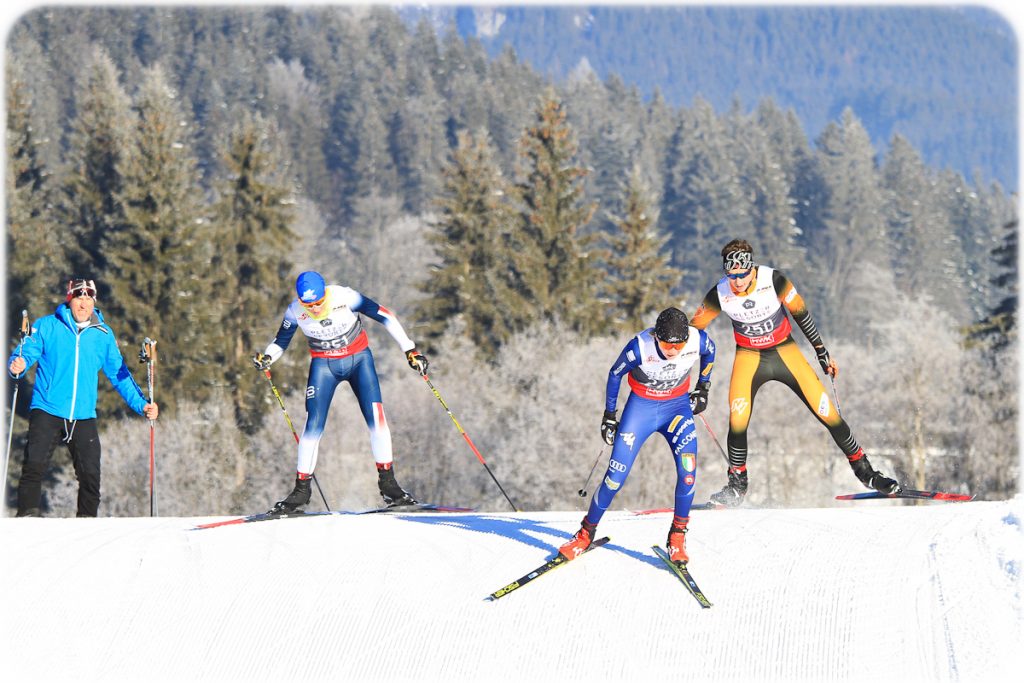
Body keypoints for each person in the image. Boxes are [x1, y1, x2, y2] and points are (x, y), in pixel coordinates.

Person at [689, 239, 900, 507]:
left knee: (828, 413)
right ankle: (737, 487)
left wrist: (821, 351)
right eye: (731, 276)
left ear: (752, 269)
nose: (737, 282)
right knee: (737, 419)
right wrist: (697, 384)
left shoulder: (773, 280)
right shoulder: (719, 293)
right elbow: (693, 335)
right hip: (749, 356)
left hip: (785, 352)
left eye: (742, 274)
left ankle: (866, 473)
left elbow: (801, 314)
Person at [253, 271, 429, 513]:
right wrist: (268, 357)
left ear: (325, 294)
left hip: (359, 361)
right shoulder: (295, 311)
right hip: (324, 366)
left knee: (377, 420)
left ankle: (390, 486)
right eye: (308, 305)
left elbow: (384, 315)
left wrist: (410, 350)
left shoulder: (344, 297)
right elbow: (281, 341)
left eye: (318, 303)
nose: (314, 309)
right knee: (313, 425)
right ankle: (301, 492)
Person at [559, 307, 716, 565]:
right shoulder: (640, 347)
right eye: (666, 344)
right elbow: (615, 374)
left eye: (679, 345)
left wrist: (703, 387)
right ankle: (585, 533)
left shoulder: (697, 340)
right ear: (656, 337)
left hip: (677, 409)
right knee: (614, 479)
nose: (673, 351)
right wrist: (610, 416)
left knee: (688, 474)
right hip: (641, 409)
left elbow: (711, 351)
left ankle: (677, 537)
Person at [6, 278, 159, 517]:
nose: (83, 303)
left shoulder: (103, 334)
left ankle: (86, 525)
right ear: (70, 300)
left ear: (94, 302)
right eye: (79, 297)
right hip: (47, 408)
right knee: (34, 466)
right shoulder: (47, 326)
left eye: (89, 298)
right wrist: (19, 365)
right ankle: (27, 518)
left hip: (83, 414)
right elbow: (26, 352)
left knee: (90, 476)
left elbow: (119, 375)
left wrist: (142, 405)